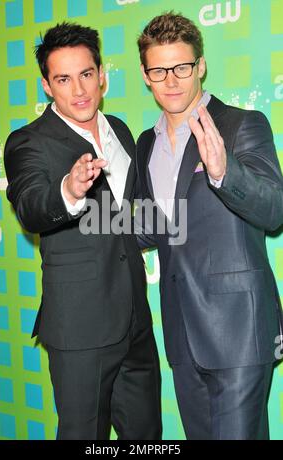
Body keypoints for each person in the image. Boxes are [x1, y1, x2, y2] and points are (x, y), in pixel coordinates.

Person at [4, 22, 162, 440]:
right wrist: (69, 191)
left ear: (102, 75)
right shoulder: (28, 143)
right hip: (80, 330)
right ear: (46, 85)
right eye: (63, 78)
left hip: (135, 324)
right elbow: (30, 206)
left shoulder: (122, 133)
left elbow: (127, 218)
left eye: (86, 74)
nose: (78, 90)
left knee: (147, 436)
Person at [136, 11, 283, 440]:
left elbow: (274, 210)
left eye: (182, 67)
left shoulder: (242, 124)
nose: (172, 80)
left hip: (241, 330)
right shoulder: (147, 143)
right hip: (182, 331)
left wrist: (223, 172)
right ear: (145, 76)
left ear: (200, 65)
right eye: (159, 70)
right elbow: (155, 227)